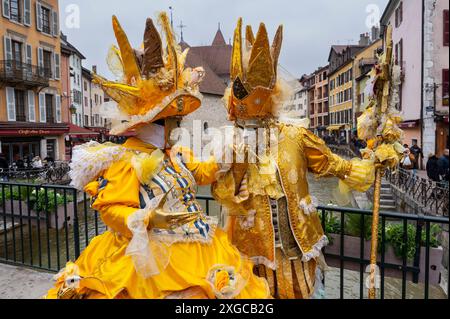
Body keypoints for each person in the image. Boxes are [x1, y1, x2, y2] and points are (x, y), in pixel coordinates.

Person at [45, 13, 270, 299]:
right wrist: (149, 218)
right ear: (154, 124)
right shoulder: (125, 160)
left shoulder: (175, 154)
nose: (178, 126)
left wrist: (228, 152)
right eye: (172, 121)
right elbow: (111, 210)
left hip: (201, 245)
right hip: (151, 257)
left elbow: (200, 174)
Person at [211, 18, 377, 299]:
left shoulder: (294, 136)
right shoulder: (231, 143)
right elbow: (220, 189)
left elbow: (327, 162)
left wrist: (357, 168)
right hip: (252, 249)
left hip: (296, 246)